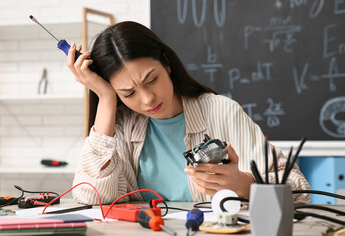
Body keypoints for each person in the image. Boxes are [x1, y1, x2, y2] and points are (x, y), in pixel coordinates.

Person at [68, 21, 310, 205]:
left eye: (152, 80)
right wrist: (106, 99)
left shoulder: (221, 111)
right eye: (128, 93)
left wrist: (248, 186)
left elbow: (300, 192)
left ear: (167, 63)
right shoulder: (118, 126)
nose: (147, 98)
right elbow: (90, 195)